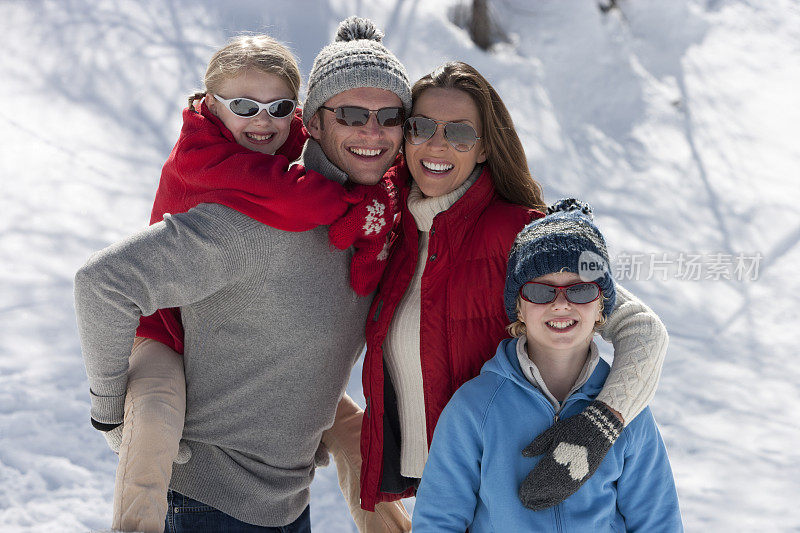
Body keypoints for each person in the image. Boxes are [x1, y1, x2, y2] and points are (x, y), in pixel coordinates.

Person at [75, 21, 412, 532]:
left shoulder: (379, 221)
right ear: (316, 123)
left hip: (289, 505)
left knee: (354, 431)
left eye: (389, 117)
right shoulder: (252, 221)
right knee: (155, 407)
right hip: (208, 506)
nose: (372, 131)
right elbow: (103, 282)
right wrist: (109, 403)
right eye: (350, 115)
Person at [358, 62, 670, 512]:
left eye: (461, 132)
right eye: (421, 126)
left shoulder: (522, 236)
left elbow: (642, 329)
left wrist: (600, 425)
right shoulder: (392, 230)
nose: (437, 143)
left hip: (515, 485)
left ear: (485, 149)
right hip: (438, 492)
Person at [412, 199, 683, 531]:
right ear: (519, 309)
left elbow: (657, 521)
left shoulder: (629, 412)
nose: (561, 304)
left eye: (581, 290)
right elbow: (438, 521)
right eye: (540, 292)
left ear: (602, 308)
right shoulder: (475, 408)